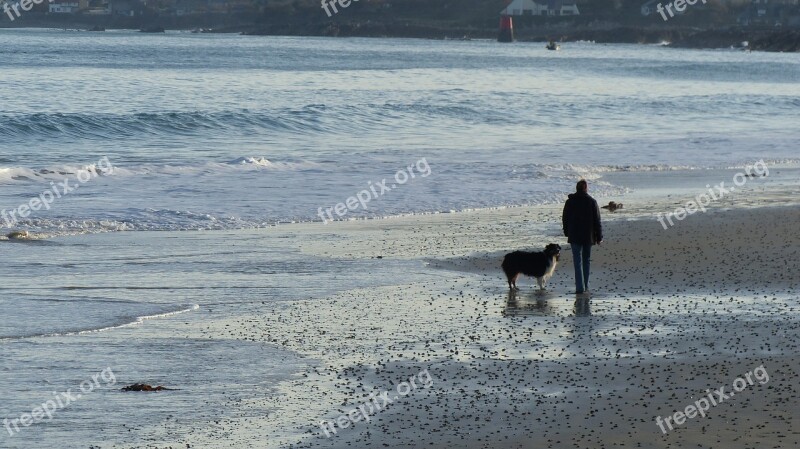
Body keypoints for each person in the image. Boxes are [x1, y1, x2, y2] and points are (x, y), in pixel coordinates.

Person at [562, 180, 603, 294]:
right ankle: (585, 286)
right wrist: (599, 237)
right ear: (586, 188)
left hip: (574, 235)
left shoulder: (570, 202)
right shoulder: (592, 202)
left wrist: (566, 232)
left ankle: (580, 287)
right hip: (588, 236)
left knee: (577, 261)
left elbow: (565, 219)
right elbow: (597, 221)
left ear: (577, 188)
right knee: (586, 260)